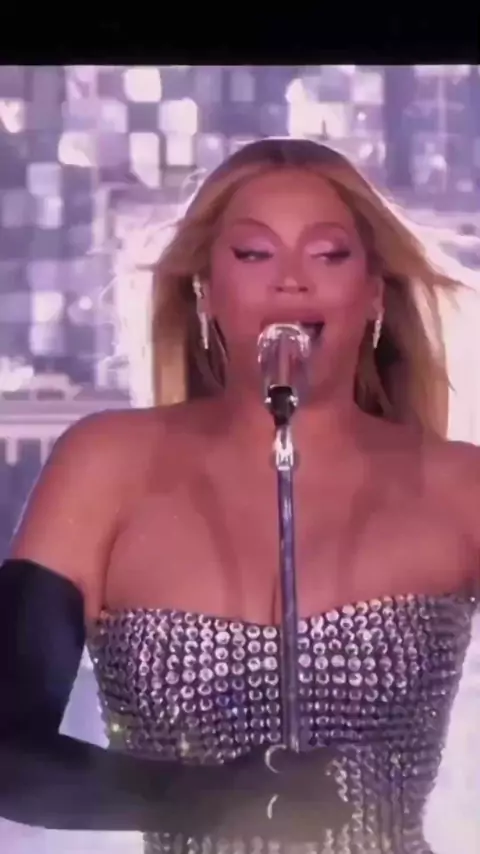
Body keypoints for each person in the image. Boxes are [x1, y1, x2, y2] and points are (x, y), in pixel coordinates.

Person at [0, 136, 478, 854]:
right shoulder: (104, 466)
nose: (291, 282)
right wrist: (207, 798)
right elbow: (7, 750)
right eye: (254, 254)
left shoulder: (460, 487)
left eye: (329, 254)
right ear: (204, 291)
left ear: (375, 293)